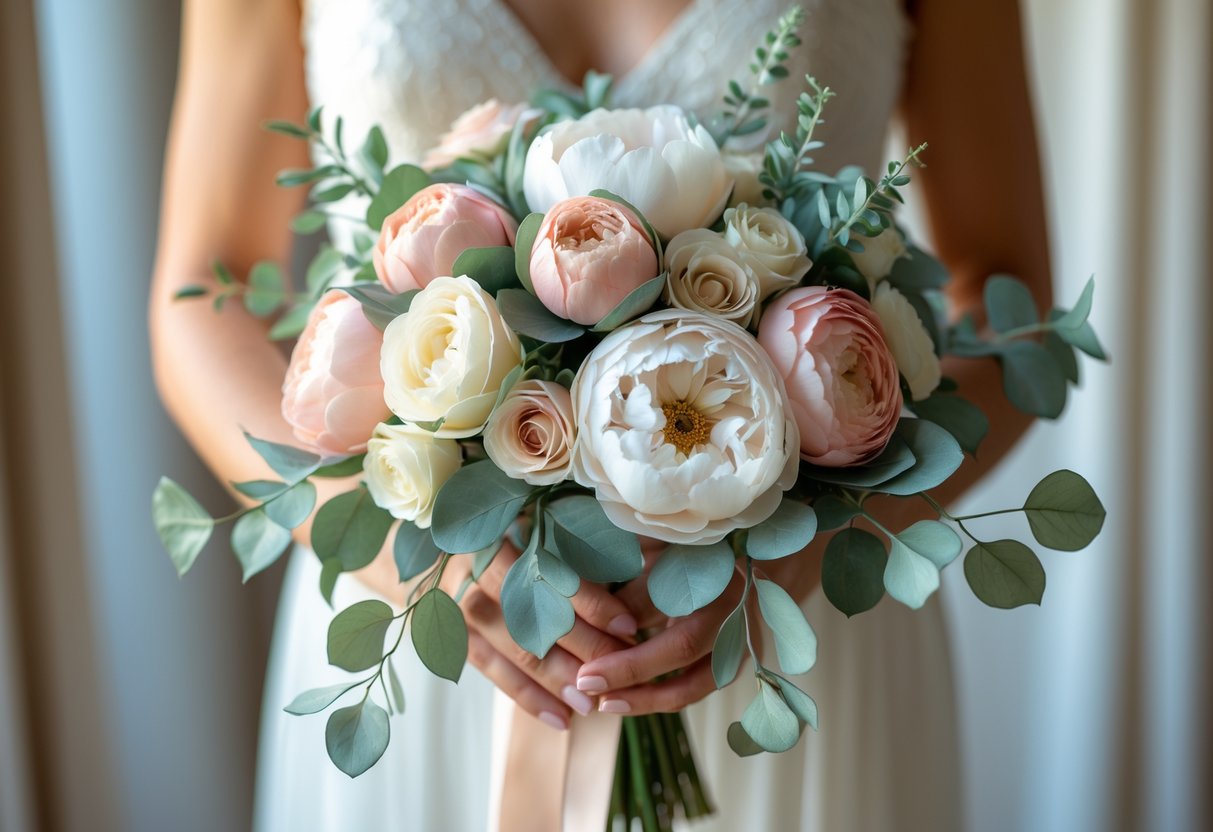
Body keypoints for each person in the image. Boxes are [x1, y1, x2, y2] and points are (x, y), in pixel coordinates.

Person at [149, 0, 1052, 828]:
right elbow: (202, 290)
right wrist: (413, 564)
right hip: (433, 634)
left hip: (788, 635)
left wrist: (815, 541)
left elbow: (1014, 305)